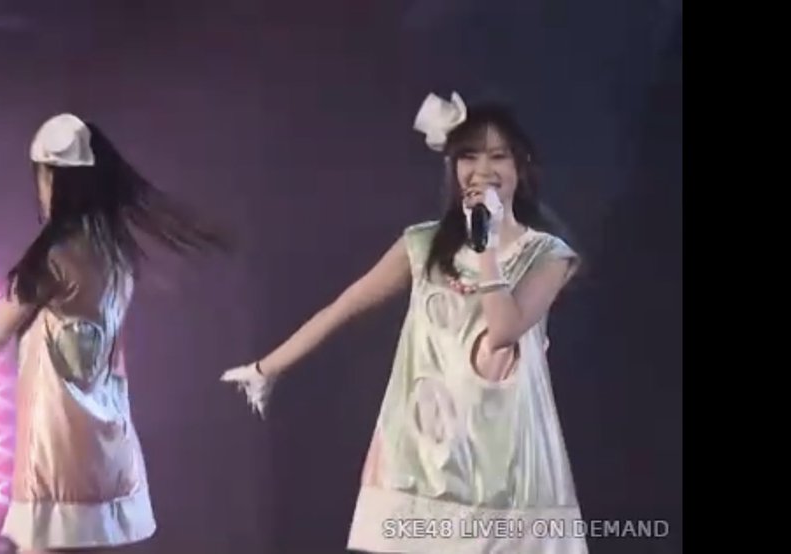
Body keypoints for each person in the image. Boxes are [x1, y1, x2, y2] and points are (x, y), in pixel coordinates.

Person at [222, 93, 587, 554]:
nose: (482, 169)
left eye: (498, 156)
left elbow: (503, 331)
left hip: (509, 459)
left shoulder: (548, 255)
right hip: (423, 456)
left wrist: (487, 245)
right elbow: (345, 305)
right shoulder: (423, 245)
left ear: (521, 165)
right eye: (469, 156)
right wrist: (267, 368)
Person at [0, 113, 229, 554]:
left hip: (54, 455)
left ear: (50, 177)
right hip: (107, 449)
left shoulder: (52, 258)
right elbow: (28, 316)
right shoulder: (116, 255)